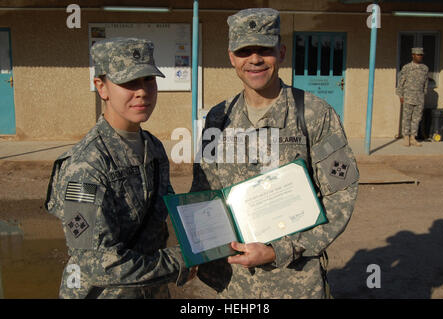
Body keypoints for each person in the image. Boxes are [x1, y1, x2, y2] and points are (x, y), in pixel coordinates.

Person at [192, 8, 359, 299]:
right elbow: (203, 192)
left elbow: (341, 196)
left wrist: (277, 250)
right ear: (231, 57)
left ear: (281, 52)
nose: (255, 59)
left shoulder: (315, 114)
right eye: (245, 50)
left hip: (296, 283)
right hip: (236, 286)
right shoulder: (217, 118)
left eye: (264, 49)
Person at [45, 38, 194, 298]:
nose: (142, 91)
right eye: (129, 82)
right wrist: (179, 262)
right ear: (102, 88)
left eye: (149, 79)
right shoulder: (84, 165)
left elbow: (164, 217)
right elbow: (97, 264)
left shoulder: (154, 148)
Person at [396, 47, 429, 147]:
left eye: (421, 55)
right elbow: (401, 82)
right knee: (406, 117)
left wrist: (424, 94)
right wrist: (401, 95)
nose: (420, 57)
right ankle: (406, 137)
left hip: (419, 97)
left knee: (416, 118)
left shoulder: (425, 68)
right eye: (418, 55)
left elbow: (426, 83)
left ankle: (413, 138)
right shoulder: (407, 68)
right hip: (408, 96)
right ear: (413, 55)